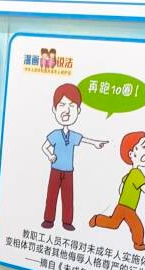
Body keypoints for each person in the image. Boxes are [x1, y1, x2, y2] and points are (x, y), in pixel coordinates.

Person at [41, 83, 106, 231]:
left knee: (68, 196)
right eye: (62, 105)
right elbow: (44, 147)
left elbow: (84, 140)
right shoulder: (55, 134)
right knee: (52, 195)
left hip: (69, 171)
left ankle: (67, 222)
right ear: (54, 109)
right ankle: (48, 220)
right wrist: (50, 155)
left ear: (78, 110)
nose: (67, 110)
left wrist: (96, 143)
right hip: (55, 170)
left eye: (71, 106)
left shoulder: (73, 135)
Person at [88, 131, 145, 251]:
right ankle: (138, 244)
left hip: (122, 206)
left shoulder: (129, 174)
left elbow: (121, 188)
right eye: (144, 147)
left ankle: (96, 220)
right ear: (132, 154)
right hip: (128, 208)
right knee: (136, 226)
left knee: (113, 223)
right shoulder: (136, 174)